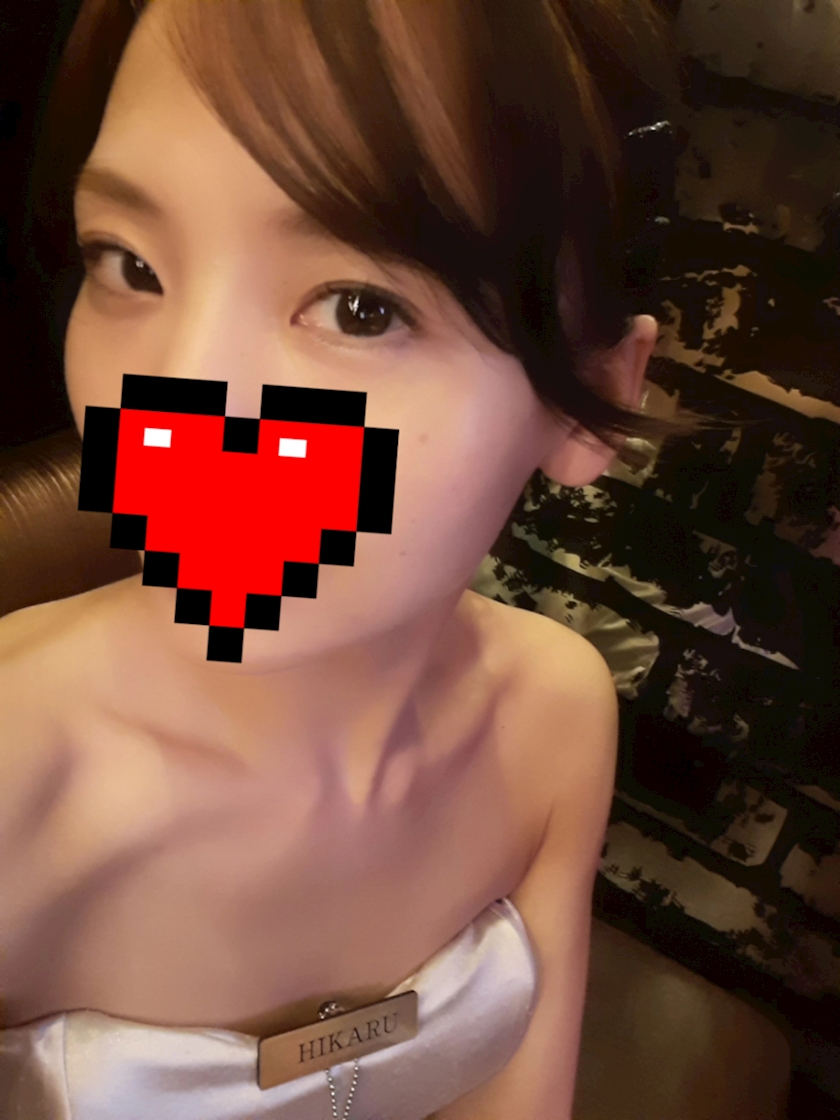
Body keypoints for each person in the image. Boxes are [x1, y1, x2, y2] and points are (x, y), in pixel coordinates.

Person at [0, 1, 698, 1117]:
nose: (167, 403)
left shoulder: (553, 715)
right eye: (130, 264)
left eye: (362, 308)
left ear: (590, 404)